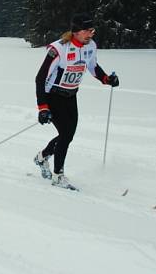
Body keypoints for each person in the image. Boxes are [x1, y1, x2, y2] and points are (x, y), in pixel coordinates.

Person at [33, 13, 119, 190]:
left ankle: (42, 157)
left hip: (71, 96)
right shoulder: (59, 49)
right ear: (77, 32)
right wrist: (43, 108)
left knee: (68, 135)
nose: (91, 34)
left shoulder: (90, 46)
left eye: (92, 30)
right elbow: (40, 78)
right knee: (65, 135)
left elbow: (93, 66)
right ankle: (58, 175)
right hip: (53, 96)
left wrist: (106, 79)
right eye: (88, 31)